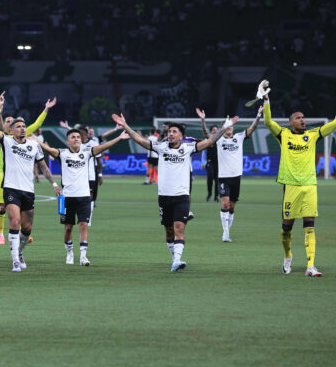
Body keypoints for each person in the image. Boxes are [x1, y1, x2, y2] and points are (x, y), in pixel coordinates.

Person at [112, 112, 237, 272]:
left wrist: (224, 128)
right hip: (164, 196)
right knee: (169, 230)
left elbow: (210, 141)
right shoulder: (161, 147)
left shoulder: (188, 148)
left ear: (181, 136)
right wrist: (125, 125)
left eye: (174, 132)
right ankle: (174, 259)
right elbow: (139, 139)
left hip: (182, 196)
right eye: (169, 132)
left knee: (179, 228)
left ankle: (177, 259)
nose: (170, 134)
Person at [261, 80, 336, 276]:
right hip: (291, 187)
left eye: (303, 117)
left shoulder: (313, 135)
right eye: (298, 117)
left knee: (309, 225)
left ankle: (310, 266)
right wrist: (266, 100)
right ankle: (288, 255)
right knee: (286, 229)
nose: (303, 120)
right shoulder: (284, 135)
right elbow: (268, 122)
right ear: (291, 122)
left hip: (309, 185)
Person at [0, 92, 61, 272]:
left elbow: (43, 167)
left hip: (28, 191)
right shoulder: (6, 141)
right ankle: (15, 261)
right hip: (11, 188)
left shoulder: (34, 145)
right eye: (18, 126)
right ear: (11, 130)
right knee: (14, 223)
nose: (21, 128)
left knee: (27, 229)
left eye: (23, 126)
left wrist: (54, 185)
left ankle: (19, 251)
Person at [39, 128, 129, 266]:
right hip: (66, 197)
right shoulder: (62, 154)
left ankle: (83, 256)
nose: (76, 139)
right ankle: (69, 253)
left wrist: (119, 138)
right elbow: (47, 148)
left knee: (83, 225)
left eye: (78, 137)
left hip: (84, 196)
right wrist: (36, 141)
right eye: (73, 137)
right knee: (68, 227)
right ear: (67, 141)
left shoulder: (87, 152)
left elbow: (104, 146)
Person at [211, 106, 262, 242]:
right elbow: (206, 135)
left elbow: (252, 128)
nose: (230, 127)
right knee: (225, 204)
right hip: (223, 177)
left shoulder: (239, 137)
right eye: (227, 126)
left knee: (232, 207)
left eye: (231, 125)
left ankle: (227, 231)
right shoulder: (218, 140)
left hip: (236, 177)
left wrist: (258, 115)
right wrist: (205, 121)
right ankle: (225, 233)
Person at [197, 109, 219, 202]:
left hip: (218, 163)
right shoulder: (208, 140)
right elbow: (204, 152)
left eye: (216, 131)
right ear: (210, 132)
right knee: (210, 178)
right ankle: (209, 194)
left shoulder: (220, 140)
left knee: (217, 181)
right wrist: (203, 162)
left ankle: (216, 197)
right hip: (210, 162)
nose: (215, 132)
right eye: (213, 131)